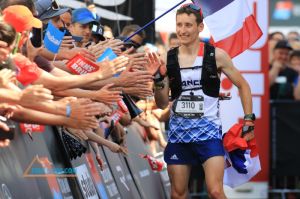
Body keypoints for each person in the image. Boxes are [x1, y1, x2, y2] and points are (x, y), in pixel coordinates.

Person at [149, 4, 255, 199]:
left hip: (209, 134)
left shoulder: (217, 56)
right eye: (179, 25)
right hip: (179, 136)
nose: (182, 30)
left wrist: (249, 120)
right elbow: (163, 103)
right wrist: (157, 80)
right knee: (178, 194)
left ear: (200, 27)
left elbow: (243, 86)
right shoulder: (166, 59)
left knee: (215, 191)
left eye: (188, 25)